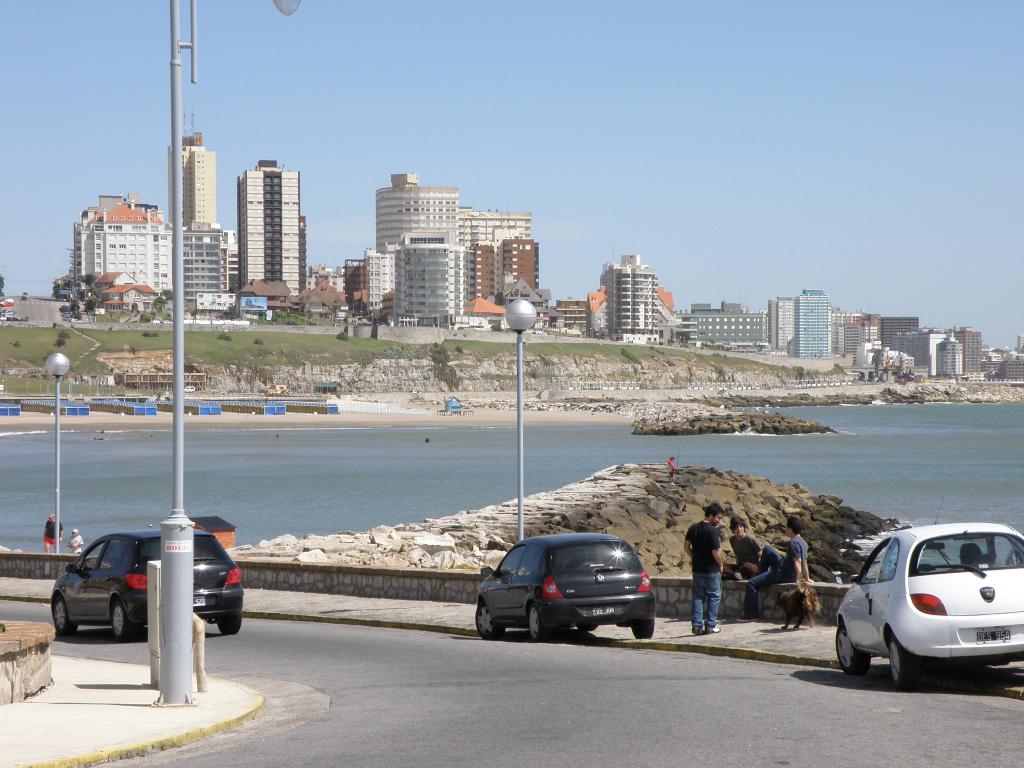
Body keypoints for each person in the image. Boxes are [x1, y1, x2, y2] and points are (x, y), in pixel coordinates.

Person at [741, 516, 810, 620]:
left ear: (790, 529)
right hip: (783, 566)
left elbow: (798, 562)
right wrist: (807, 578)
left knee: (751, 583)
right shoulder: (803, 542)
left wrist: (799, 579)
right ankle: (760, 574)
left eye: (786, 527)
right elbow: (804, 561)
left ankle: (751, 614)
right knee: (767, 549)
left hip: (782, 574)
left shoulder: (793, 543)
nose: (785, 529)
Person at [684, 501, 725, 635]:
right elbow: (715, 552)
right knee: (714, 597)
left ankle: (696, 626)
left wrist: (694, 557)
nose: (719, 521)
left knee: (698, 597)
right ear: (711, 515)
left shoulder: (693, 528)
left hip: (697, 569)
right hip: (711, 570)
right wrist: (721, 564)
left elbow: (686, 546)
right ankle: (710, 625)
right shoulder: (712, 531)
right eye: (718, 518)